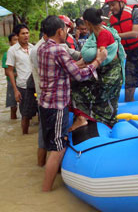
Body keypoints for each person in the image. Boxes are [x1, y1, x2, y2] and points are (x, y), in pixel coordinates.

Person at [38, 15, 107, 192]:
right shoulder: (59, 50)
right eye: (65, 28)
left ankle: (44, 180)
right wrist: (97, 61)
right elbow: (78, 75)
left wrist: (82, 63)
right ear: (60, 31)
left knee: (51, 143)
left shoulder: (42, 48)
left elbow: (61, 70)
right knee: (58, 148)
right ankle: (45, 190)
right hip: (57, 105)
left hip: (45, 103)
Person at [70, 8, 124, 131]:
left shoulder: (103, 33)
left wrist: (90, 64)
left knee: (106, 102)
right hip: (102, 72)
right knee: (78, 85)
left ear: (87, 22)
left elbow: (102, 53)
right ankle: (84, 118)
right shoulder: (95, 34)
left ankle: (105, 128)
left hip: (111, 74)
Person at [6, 24, 38, 134]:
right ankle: (24, 135)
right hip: (23, 86)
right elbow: (9, 70)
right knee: (25, 114)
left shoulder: (34, 48)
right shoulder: (12, 50)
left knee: (39, 113)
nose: (26, 35)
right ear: (17, 35)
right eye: (23, 33)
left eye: (27, 33)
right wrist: (15, 90)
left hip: (36, 85)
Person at [2, 33, 19, 119]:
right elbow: (6, 72)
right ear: (10, 42)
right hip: (12, 82)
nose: (16, 42)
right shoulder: (6, 54)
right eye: (14, 40)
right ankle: (13, 119)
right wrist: (19, 73)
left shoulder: (22, 52)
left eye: (17, 39)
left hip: (22, 81)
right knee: (13, 105)